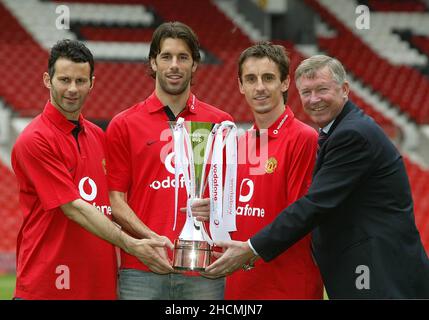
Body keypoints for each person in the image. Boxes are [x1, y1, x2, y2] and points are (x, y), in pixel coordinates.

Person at [205, 55, 429, 299]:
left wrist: (251, 248)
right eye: (306, 92)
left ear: (344, 90)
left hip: (378, 273)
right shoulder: (341, 130)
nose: (314, 100)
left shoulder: (351, 134)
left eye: (322, 90)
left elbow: (314, 204)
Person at [11, 39, 172, 300]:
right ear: (47, 80)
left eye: (80, 81)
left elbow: (113, 202)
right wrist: (131, 244)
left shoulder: (99, 136)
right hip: (47, 288)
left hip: (99, 287)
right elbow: (74, 208)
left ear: (92, 83)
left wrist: (150, 235)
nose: (72, 89)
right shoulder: (35, 139)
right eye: (64, 80)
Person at [105, 21, 233, 300]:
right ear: (153, 63)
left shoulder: (221, 123)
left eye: (183, 57)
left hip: (204, 269)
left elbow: (230, 197)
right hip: (142, 268)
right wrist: (150, 238)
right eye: (166, 56)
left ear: (195, 64)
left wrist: (217, 208)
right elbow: (116, 201)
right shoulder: (123, 124)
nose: (174, 65)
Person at [222, 42, 323, 299]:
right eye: (251, 79)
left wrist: (250, 249)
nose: (259, 88)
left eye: (268, 78)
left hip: (286, 285)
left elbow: (298, 218)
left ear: (285, 83)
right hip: (241, 283)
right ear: (240, 86)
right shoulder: (240, 142)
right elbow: (243, 208)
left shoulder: (304, 138)